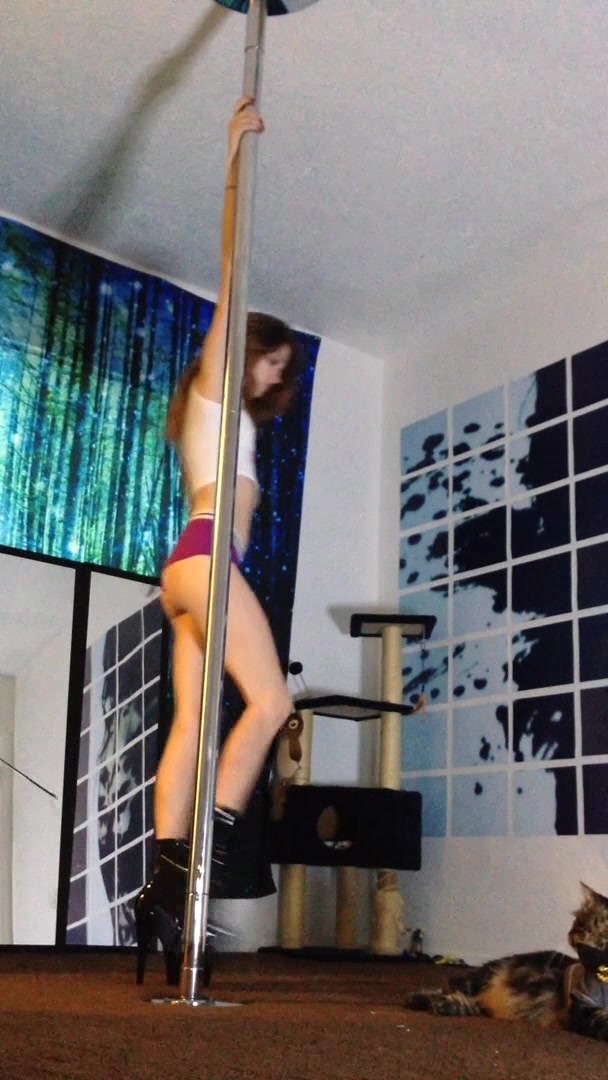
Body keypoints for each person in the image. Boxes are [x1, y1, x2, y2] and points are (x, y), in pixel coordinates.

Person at [134, 98, 301, 985]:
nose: (275, 372)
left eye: (281, 368)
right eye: (270, 358)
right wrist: (235, 153)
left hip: (189, 571)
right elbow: (232, 273)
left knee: (197, 724)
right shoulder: (211, 392)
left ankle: (165, 887)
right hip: (204, 560)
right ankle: (212, 858)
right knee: (269, 704)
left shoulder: (231, 427)